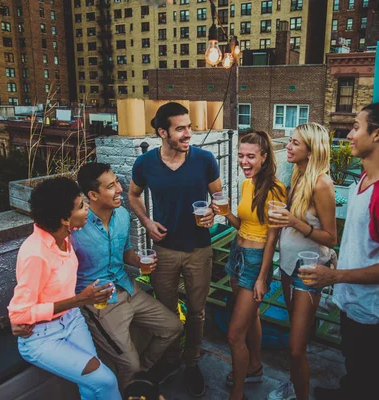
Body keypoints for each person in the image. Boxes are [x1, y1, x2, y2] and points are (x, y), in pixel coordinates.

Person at [298, 103, 379, 400]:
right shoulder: (365, 180)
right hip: (354, 303)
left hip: (373, 313)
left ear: (378, 134)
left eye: (357, 126)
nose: (350, 133)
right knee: (355, 367)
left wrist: (335, 275)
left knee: (370, 383)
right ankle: (348, 390)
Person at [128, 102, 222, 397]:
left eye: (189, 126)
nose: (188, 133)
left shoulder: (204, 159)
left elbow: (218, 195)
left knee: (196, 312)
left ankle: (192, 364)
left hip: (199, 249)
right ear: (162, 132)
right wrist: (146, 221)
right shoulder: (145, 164)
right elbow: (133, 194)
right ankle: (170, 362)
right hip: (164, 250)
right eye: (180, 128)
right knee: (166, 312)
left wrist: (213, 212)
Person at [8, 177, 121, 400]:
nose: (87, 208)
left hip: (72, 321)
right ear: (63, 219)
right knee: (105, 380)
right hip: (42, 337)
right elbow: (20, 313)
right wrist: (80, 299)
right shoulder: (35, 254)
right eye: (81, 205)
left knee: (90, 386)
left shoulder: (66, 236)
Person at [73, 162, 183, 390]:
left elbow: (126, 252)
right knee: (128, 365)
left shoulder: (122, 214)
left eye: (117, 183)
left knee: (173, 327)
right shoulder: (76, 227)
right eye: (111, 186)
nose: (120, 189)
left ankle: (144, 372)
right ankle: (132, 381)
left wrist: (139, 260)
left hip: (128, 287)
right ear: (93, 195)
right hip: (100, 303)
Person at [266, 123, 338, 400]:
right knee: (293, 340)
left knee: (297, 347)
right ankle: (294, 387)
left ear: (312, 148)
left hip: (308, 271)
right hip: (287, 266)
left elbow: (331, 237)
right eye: (291, 141)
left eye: (295, 143)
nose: (289, 145)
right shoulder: (297, 174)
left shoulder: (322, 182)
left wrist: (295, 221)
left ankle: (301, 396)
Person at [214, 131, 286, 400]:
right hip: (237, 255)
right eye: (241, 155)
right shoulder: (247, 185)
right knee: (251, 316)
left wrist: (262, 277)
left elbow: (272, 238)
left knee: (234, 334)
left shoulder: (276, 189)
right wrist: (226, 213)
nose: (244, 161)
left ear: (264, 158)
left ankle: (238, 392)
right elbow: (242, 226)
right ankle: (254, 366)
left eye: (251, 156)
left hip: (256, 263)